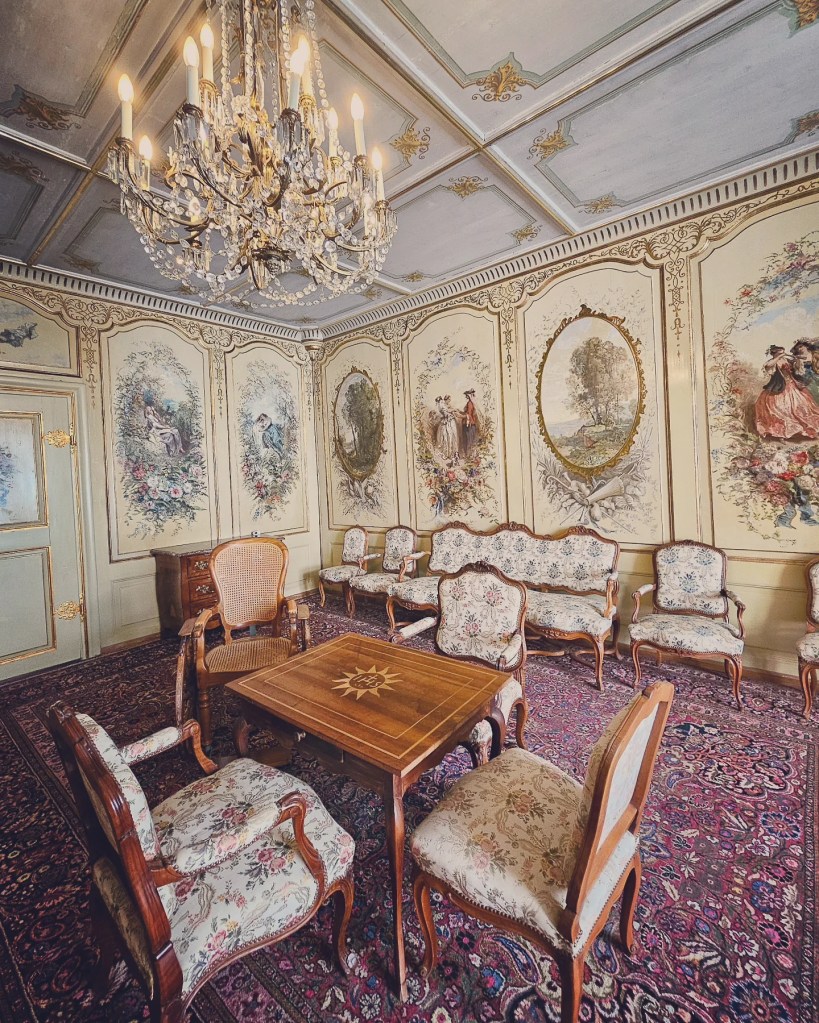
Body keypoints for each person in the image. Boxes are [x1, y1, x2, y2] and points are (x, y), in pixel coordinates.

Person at [754, 345, 819, 440]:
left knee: (801, 406)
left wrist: (797, 360)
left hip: (791, 385)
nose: (783, 354)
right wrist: (778, 357)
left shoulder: (786, 360)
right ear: (775, 353)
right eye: (781, 352)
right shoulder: (773, 362)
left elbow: (796, 369)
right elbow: (768, 366)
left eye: (783, 352)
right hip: (779, 388)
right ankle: (781, 433)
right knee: (779, 409)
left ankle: (804, 429)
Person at [460, 389, 479, 458]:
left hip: (469, 424)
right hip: (470, 423)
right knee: (470, 439)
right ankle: (468, 455)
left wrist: (459, 415)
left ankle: (468, 455)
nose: (466, 396)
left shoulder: (470, 403)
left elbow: (468, 415)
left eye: (467, 395)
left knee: (468, 439)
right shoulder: (470, 403)